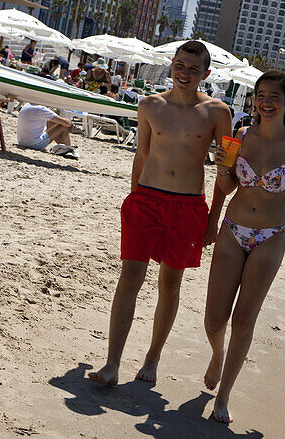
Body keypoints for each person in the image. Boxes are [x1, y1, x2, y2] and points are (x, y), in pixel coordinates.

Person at [88, 40, 231, 387]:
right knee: (129, 280)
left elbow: (224, 171)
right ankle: (112, 363)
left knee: (170, 283)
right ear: (172, 64)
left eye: (193, 69)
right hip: (146, 200)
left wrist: (214, 219)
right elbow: (141, 155)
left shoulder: (218, 113)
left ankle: (152, 358)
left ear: (206, 74)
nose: (185, 73)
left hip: (188, 206)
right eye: (180, 65)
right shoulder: (150, 104)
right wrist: (133, 197)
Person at [203, 70, 285, 424]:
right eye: (260, 95)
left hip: (271, 237)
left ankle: (224, 397)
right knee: (214, 318)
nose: (265, 102)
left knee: (244, 320)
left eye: (273, 96)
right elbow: (228, 185)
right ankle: (217, 353)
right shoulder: (241, 136)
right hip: (233, 229)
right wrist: (220, 171)